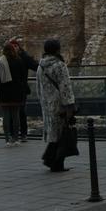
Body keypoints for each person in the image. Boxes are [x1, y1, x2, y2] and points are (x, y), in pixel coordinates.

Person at [36, 38, 77, 172]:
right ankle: (55, 162)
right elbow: (65, 86)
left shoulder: (41, 66)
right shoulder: (59, 65)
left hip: (47, 103)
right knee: (62, 133)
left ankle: (50, 159)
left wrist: (42, 101)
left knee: (55, 133)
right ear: (57, 49)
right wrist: (70, 105)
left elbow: (38, 87)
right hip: (60, 105)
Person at [0, 40, 24, 146]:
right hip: (16, 92)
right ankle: (16, 138)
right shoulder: (19, 61)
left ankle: (7, 139)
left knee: (6, 115)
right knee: (15, 116)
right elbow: (22, 77)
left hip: (3, 92)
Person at [8, 37, 39, 142]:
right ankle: (13, 134)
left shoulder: (23, 57)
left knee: (20, 111)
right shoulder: (7, 58)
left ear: (18, 47)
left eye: (15, 46)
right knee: (12, 112)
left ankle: (22, 134)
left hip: (20, 89)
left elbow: (35, 66)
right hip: (10, 89)